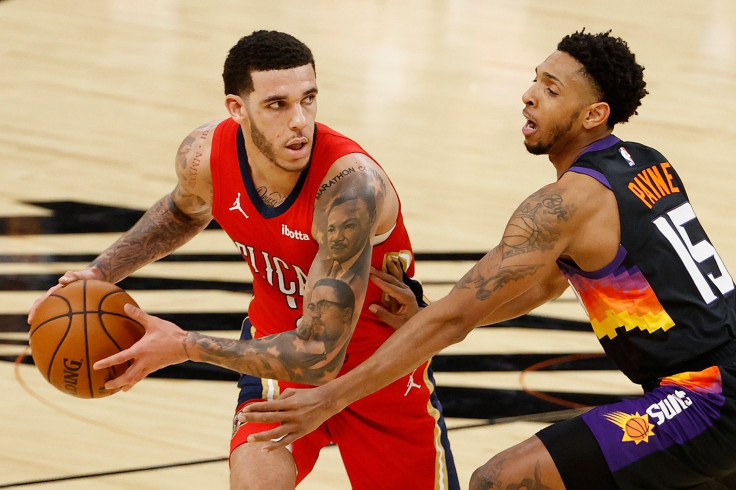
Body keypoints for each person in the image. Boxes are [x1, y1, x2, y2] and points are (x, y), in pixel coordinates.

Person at [237, 30, 736, 489]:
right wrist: (427, 312)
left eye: (552, 89)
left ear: (593, 115)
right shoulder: (646, 161)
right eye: (535, 80)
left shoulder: (567, 203)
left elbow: (456, 318)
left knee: (497, 480)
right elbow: (544, 285)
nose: (529, 94)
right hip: (711, 384)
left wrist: (332, 396)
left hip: (709, 399)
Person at [28, 30, 458, 490]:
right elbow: (183, 209)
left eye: (308, 99)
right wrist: (99, 272)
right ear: (237, 108)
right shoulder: (204, 154)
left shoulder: (350, 190)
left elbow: (319, 356)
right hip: (275, 355)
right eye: (278, 105)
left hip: (379, 370)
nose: (300, 121)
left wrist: (184, 345)